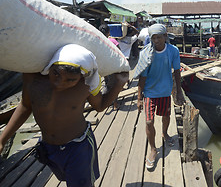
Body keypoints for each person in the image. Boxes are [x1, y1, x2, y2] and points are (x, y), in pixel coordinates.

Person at [0, 44, 129, 187]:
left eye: (70, 80)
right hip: (49, 147)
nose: (60, 82)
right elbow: (25, 106)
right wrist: (2, 139)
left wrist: (118, 84)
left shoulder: (85, 85)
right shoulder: (32, 79)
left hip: (78, 148)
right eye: (56, 73)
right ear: (51, 65)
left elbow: (99, 106)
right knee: (67, 179)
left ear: (81, 77)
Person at [134, 24, 185, 170]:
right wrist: (139, 98)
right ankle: (153, 149)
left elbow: (176, 71)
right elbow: (142, 78)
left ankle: (165, 133)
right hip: (150, 91)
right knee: (149, 121)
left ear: (165, 37)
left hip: (165, 90)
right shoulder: (146, 53)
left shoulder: (173, 51)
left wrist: (179, 92)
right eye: (153, 38)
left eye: (159, 37)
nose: (156, 41)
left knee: (166, 116)